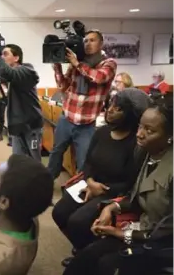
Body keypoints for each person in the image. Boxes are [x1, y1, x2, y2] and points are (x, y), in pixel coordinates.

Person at [63, 93, 173, 275]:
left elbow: (166, 233)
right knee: (85, 258)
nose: (139, 134)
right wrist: (112, 208)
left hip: (161, 245)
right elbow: (136, 196)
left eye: (149, 130)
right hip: (142, 231)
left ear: (170, 136)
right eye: (140, 126)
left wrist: (119, 233)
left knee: (106, 264)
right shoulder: (147, 153)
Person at [52, 88, 151, 267]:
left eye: (118, 108)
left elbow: (131, 182)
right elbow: (88, 163)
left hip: (114, 191)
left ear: (131, 116)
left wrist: (100, 188)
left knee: (78, 221)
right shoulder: (101, 132)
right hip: (91, 184)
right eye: (111, 104)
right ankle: (81, 247)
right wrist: (90, 181)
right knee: (59, 212)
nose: (110, 109)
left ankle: (86, 253)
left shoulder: (136, 144)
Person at [47, 29, 117, 180]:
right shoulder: (77, 63)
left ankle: (78, 192)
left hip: (86, 124)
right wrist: (57, 67)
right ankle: (47, 182)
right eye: (85, 41)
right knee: (56, 152)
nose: (88, 44)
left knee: (83, 161)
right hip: (67, 118)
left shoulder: (108, 63)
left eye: (92, 40)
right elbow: (63, 86)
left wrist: (77, 64)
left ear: (101, 43)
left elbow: (99, 77)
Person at [0, 42, 43, 161]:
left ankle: (38, 179)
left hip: (31, 124)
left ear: (16, 58)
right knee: (18, 160)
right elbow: (4, 75)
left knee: (34, 160)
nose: (2, 57)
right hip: (17, 124)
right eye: (1, 55)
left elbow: (6, 72)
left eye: (5, 54)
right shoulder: (11, 76)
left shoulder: (27, 70)